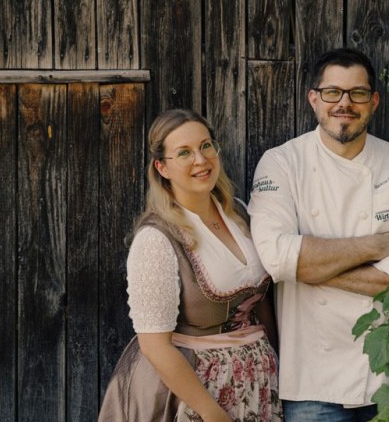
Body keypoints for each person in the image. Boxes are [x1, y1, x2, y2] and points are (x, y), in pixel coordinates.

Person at [248, 48, 389, 421]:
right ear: (314, 99)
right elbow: (276, 258)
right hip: (312, 383)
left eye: (356, 93)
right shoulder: (282, 163)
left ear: (373, 101)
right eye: (333, 92)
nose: (344, 103)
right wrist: (378, 244)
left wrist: (309, 267)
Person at [99, 109, 282, 422]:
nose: (201, 160)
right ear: (162, 167)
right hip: (192, 394)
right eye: (183, 153)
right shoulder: (157, 239)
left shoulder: (238, 214)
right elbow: (155, 347)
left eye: (206, 146)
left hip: (256, 384)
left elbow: (263, 301)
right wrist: (212, 414)